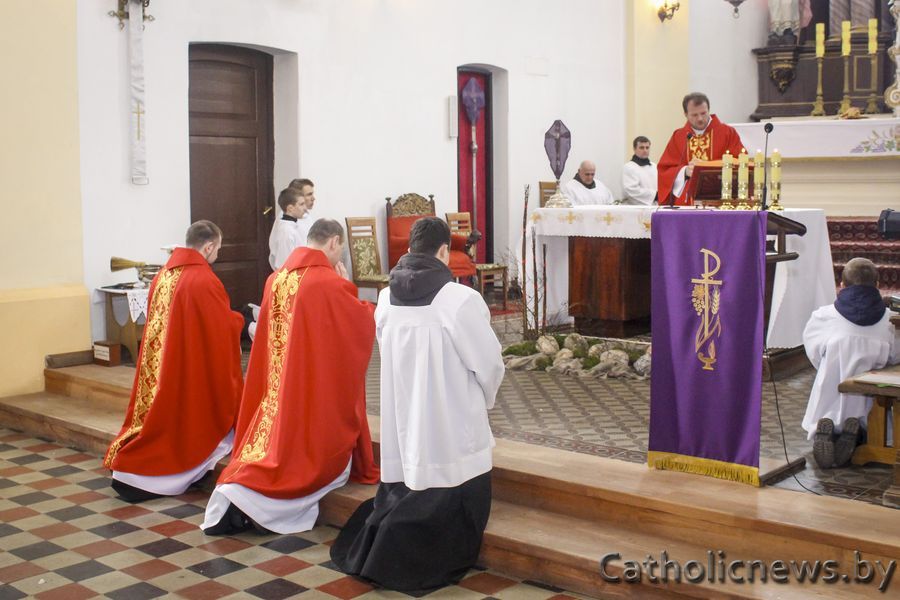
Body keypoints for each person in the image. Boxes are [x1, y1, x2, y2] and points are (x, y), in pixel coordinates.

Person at [331, 217, 505, 593]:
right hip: (451, 416)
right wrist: (484, 399)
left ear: (410, 249)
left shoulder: (386, 298)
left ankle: (387, 541)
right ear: (444, 251)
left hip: (405, 411)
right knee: (451, 472)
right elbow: (488, 363)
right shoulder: (460, 300)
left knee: (411, 476)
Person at [202, 218, 379, 535]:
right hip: (309, 389)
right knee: (301, 462)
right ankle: (257, 506)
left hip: (279, 385)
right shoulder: (328, 283)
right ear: (334, 242)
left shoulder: (277, 279)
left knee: (270, 446)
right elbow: (358, 323)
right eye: (340, 249)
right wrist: (350, 288)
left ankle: (238, 496)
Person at [105, 220, 244, 502]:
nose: (217, 254)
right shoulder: (204, 280)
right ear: (208, 247)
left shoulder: (165, 274)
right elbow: (219, 328)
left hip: (165, 362)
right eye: (218, 249)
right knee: (191, 420)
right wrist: (240, 320)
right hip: (187, 365)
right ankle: (159, 475)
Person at [801, 258, 898, 469]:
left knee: (826, 370)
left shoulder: (824, 316)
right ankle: (859, 432)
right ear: (877, 284)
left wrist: (830, 367)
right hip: (870, 395)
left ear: (842, 285)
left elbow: (814, 353)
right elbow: (895, 357)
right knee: (875, 404)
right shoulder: (890, 320)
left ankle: (826, 428)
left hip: (832, 387)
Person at [657, 92, 745, 206]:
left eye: (703, 113)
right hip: (686, 202)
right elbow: (664, 170)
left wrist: (706, 166)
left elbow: (741, 163)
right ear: (685, 114)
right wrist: (684, 171)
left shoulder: (727, 133)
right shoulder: (679, 136)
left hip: (721, 199)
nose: (700, 119)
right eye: (694, 115)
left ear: (709, 110)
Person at [268, 186, 311, 271]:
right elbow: (285, 264)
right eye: (301, 204)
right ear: (290, 208)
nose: (305, 208)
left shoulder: (293, 226)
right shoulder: (286, 231)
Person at [621, 136, 657, 205]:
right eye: (641, 148)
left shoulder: (654, 166)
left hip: (655, 206)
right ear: (634, 149)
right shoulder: (629, 167)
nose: (645, 150)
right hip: (637, 208)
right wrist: (654, 195)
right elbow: (630, 190)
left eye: (647, 147)